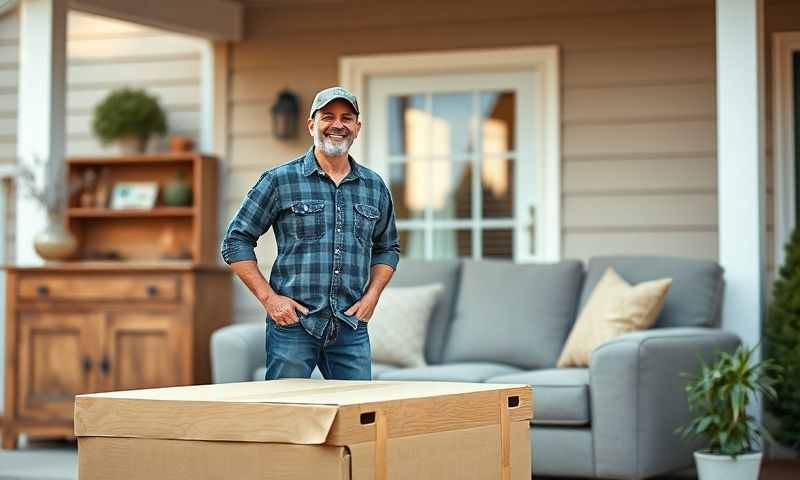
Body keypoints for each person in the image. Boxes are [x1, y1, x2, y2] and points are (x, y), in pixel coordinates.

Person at [220, 86, 400, 380]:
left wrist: (372, 296)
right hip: (293, 326)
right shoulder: (279, 180)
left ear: (357, 127)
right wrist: (269, 300)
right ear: (311, 125)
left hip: (350, 327)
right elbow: (235, 241)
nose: (338, 125)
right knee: (286, 414)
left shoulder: (374, 186)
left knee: (357, 417)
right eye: (328, 116)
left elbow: (387, 247)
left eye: (347, 118)